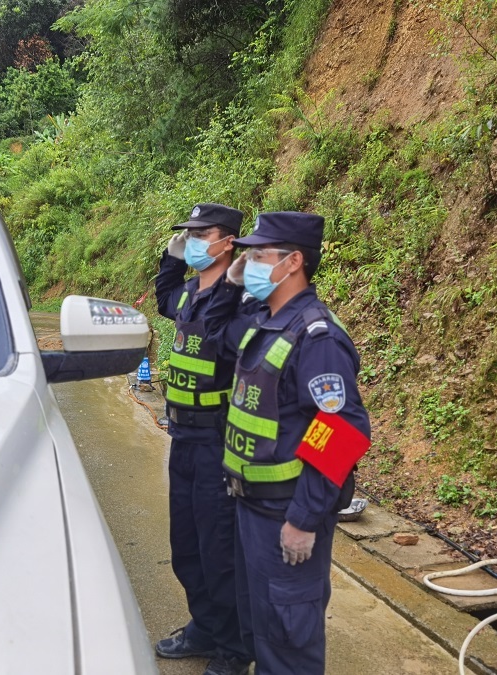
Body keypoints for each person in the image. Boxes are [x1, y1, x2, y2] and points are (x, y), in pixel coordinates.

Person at [214, 211, 371, 675]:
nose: (249, 264)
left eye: (259, 255)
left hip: (285, 512)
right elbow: (215, 335)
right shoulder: (266, 321)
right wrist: (231, 286)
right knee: (261, 627)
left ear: (293, 262)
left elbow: (340, 430)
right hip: (251, 506)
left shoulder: (317, 337)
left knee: (288, 638)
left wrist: (303, 518)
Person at [154, 203, 252, 675]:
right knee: (187, 544)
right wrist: (171, 260)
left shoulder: (242, 300)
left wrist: (228, 285)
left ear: (228, 242)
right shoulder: (191, 293)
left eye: (200, 235)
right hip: (184, 437)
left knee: (219, 550)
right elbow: (165, 299)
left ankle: (233, 647)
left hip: (217, 439)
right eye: (187, 235)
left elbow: (224, 331)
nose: (192, 241)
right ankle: (205, 627)